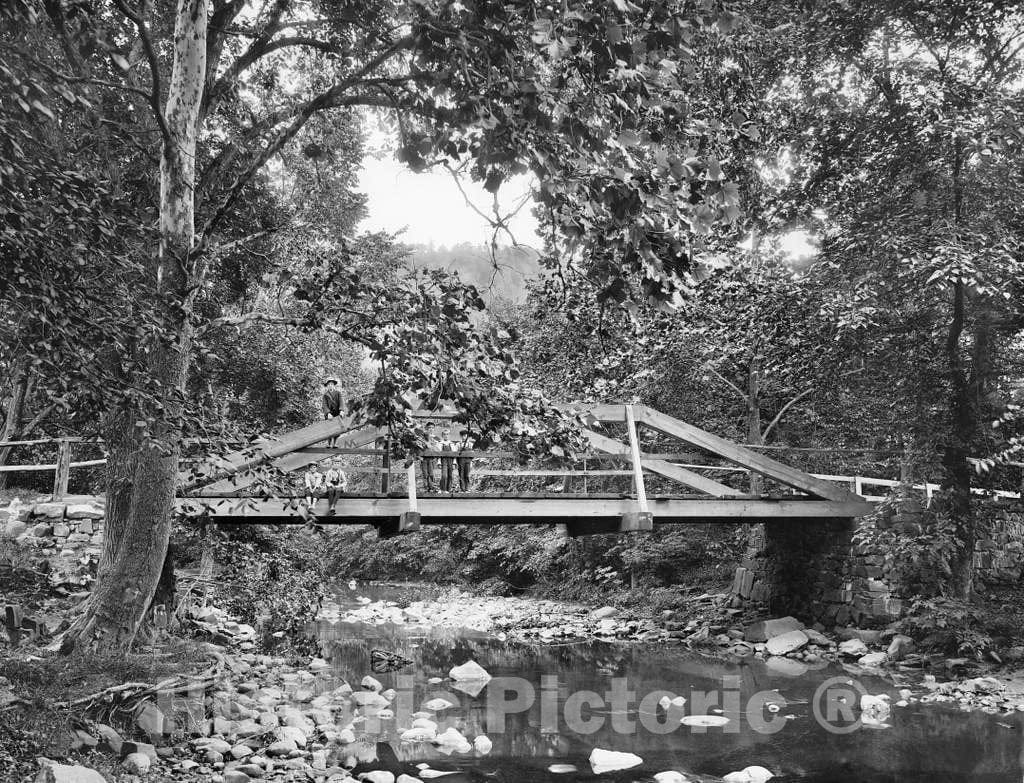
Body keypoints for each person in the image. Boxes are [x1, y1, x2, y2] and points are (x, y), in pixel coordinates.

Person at [322, 378, 342, 448]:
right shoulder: (325, 395)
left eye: (332, 384)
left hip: (337, 413)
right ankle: (329, 443)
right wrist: (328, 413)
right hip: (329, 414)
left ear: (334, 386)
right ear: (327, 386)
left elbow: (341, 402)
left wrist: (341, 410)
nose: (330, 386)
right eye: (329, 384)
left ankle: (335, 443)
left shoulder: (338, 393)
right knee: (329, 428)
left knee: (337, 429)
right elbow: (324, 405)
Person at [421, 422, 439, 492]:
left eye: (432, 428)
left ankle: (432, 487)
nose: (431, 429)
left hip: (432, 458)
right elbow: (420, 447)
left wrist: (436, 457)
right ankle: (426, 488)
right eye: (429, 428)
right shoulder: (423, 437)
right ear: (426, 428)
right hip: (424, 458)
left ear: (434, 429)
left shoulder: (435, 438)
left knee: (431, 473)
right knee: (425, 473)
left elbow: (437, 449)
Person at [438, 428, 456, 492]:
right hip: (443, 460)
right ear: (442, 435)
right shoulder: (440, 443)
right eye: (444, 434)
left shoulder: (451, 444)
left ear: (449, 435)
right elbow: (439, 454)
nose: (446, 436)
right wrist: (439, 463)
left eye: (447, 434)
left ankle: (448, 489)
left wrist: (454, 463)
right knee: (444, 475)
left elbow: (454, 454)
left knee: (450, 475)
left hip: (450, 460)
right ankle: (442, 489)